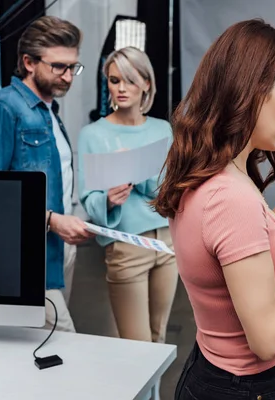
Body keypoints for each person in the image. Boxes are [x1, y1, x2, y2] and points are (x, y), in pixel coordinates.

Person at [153, 19, 275, 400]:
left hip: (214, 374)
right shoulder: (229, 197)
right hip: (243, 387)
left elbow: (258, 241)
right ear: (251, 90)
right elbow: (267, 340)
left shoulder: (211, 173)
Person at [0, 16, 93, 332]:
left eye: (73, 67)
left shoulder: (49, 111)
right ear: (28, 62)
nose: (67, 76)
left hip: (59, 249)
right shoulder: (1, 109)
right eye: (58, 67)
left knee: (37, 349)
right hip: (25, 255)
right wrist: (51, 220)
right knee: (63, 339)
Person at [78, 47, 177, 344]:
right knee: (137, 344)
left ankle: (154, 394)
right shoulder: (92, 135)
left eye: (130, 80)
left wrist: (138, 171)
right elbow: (89, 201)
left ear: (147, 83)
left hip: (168, 244)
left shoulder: (163, 130)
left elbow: (169, 192)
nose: (121, 88)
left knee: (158, 339)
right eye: (114, 80)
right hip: (125, 247)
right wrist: (108, 199)